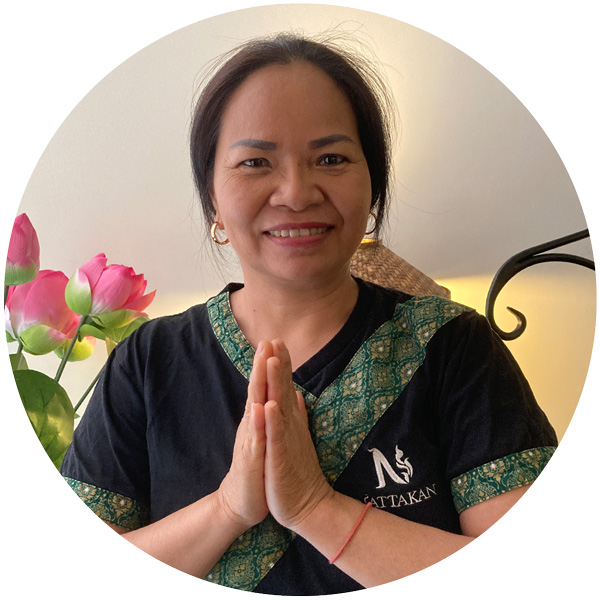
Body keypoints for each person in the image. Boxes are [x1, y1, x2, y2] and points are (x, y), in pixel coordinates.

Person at [60, 33, 557, 594]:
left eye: (331, 158)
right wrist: (228, 507)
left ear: (372, 186)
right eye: (255, 162)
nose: (296, 192)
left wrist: (315, 507)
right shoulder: (147, 361)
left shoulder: (455, 345)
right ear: (212, 200)